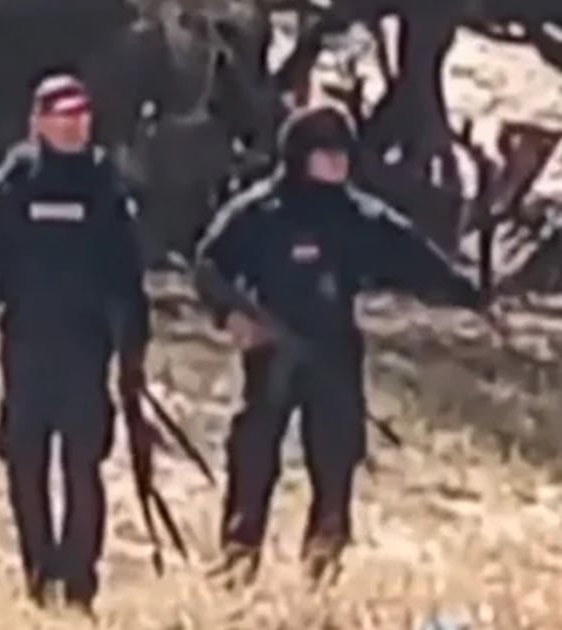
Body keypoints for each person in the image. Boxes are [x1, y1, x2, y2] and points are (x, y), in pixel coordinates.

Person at [192, 105, 486, 586]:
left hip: (333, 350)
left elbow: (410, 252)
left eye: (342, 153)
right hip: (272, 349)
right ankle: (238, 555)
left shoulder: (356, 214)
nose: (337, 162)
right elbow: (208, 265)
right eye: (326, 153)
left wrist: (462, 289)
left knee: (335, 455)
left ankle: (323, 560)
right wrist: (233, 316)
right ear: (299, 155)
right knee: (254, 453)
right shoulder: (261, 211)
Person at [0, 72, 150, 614]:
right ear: (39, 121)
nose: (75, 124)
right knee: (24, 464)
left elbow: (128, 277)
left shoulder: (105, 185)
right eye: (63, 114)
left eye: (82, 114)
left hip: (87, 350)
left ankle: (78, 584)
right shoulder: (14, 182)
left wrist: (133, 353)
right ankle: (40, 574)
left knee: (83, 467)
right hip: (27, 347)